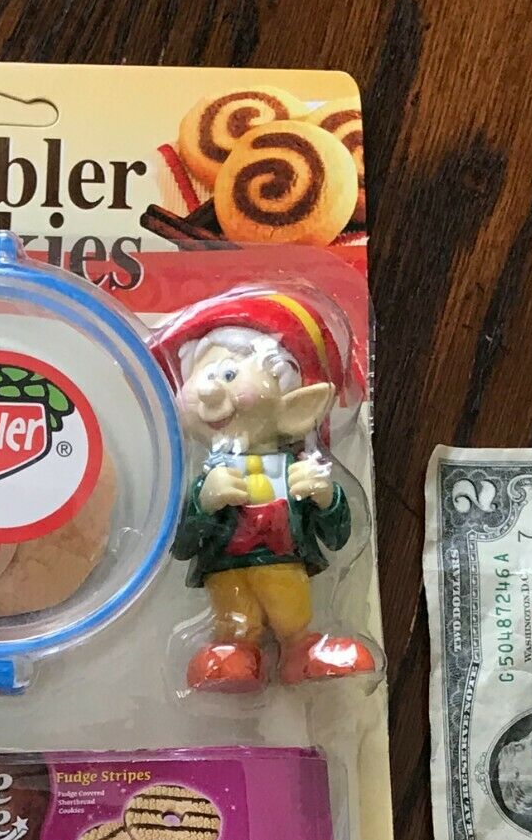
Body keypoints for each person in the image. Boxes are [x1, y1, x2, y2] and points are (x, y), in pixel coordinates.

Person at [151, 291, 376, 691]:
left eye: (228, 375)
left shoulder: (297, 470)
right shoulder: (211, 478)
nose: (209, 391)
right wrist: (205, 503)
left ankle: (299, 648)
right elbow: (182, 546)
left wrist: (326, 497)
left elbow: (338, 536)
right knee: (238, 616)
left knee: (290, 608)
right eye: (203, 373)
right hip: (227, 572)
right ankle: (235, 652)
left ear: (295, 409)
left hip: (284, 564)